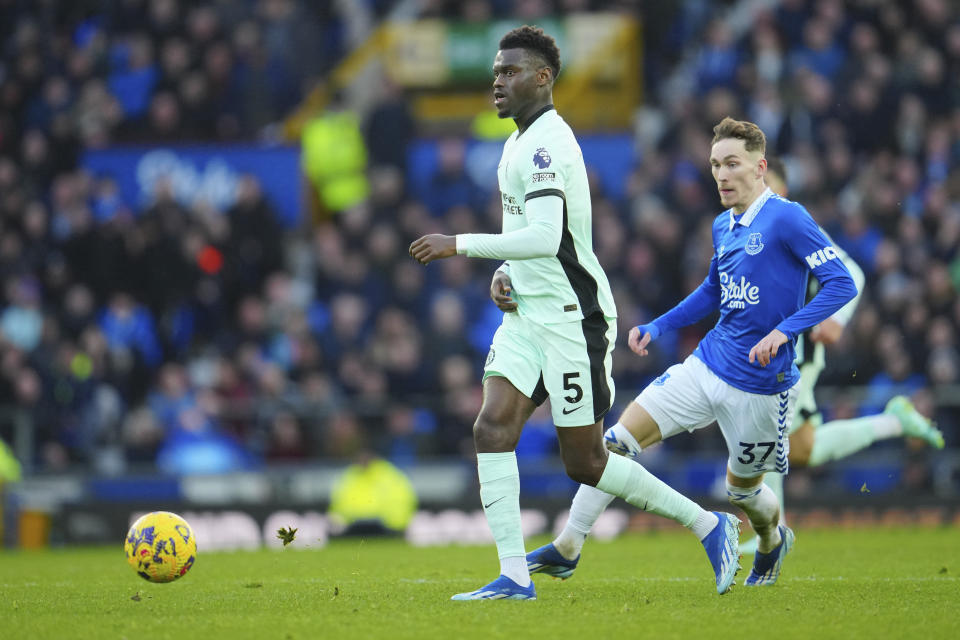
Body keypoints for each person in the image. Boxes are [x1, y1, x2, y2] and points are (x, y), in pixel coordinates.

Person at [409, 26, 743, 600]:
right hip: (527, 314)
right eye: (494, 71)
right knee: (491, 427)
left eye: (510, 72)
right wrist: (506, 274)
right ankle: (514, 576)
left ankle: (709, 525)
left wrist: (458, 243)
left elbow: (545, 235)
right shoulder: (515, 144)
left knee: (585, 462)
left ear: (543, 78)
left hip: (572, 318)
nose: (497, 81)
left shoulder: (546, 143)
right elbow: (529, 240)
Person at [525, 117, 858, 588]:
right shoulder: (723, 224)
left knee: (743, 493)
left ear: (760, 167)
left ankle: (771, 540)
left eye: (732, 164)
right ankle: (569, 545)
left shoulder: (789, 217)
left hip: (761, 387)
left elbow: (840, 284)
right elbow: (713, 291)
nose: (721, 175)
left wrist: (785, 332)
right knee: (615, 443)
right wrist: (659, 325)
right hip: (707, 364)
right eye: (715, 165)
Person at [736, 159, 945, 553]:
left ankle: (774, 532)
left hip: (797, 350)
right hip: (774, 348)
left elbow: (852, 271)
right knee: (802, 448)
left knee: (768, 427)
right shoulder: (747, 232)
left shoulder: (795, 225)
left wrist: (839, 317)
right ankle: (893, 422)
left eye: (773, 185)